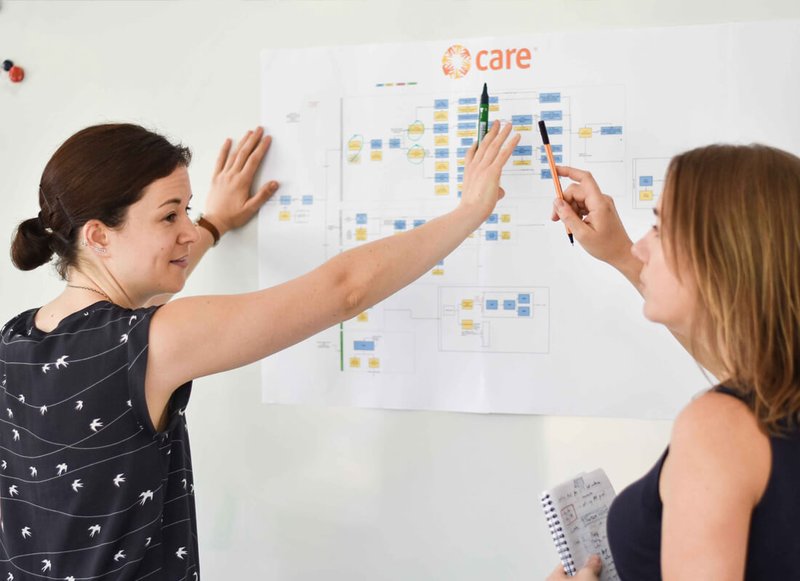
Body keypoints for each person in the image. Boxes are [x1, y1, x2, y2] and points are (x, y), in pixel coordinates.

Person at [1, 120, 519, 580]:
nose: (185, 230)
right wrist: (469, 211)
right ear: (98, 236)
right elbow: (344, 291)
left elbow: (142, 306)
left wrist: (214, 224)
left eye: (188, 211)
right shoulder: (148, 342)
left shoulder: (15, 340)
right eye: (168, 217)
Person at [546, 144, 800, 580]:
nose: (643, 248)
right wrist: (619, 252)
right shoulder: (778, 396)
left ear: (724, 257)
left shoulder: (720, 427)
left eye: (660, 229)